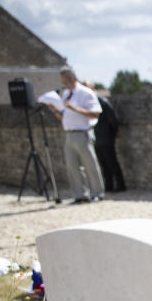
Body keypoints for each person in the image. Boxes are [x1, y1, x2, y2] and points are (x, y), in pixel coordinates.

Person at [46, 66, 105, 204]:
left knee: (90, 164)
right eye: (63, 82)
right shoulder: (65, 94)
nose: (65, 85)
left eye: (67, 81)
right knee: (72, 166)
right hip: (69, 133)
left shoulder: (86, 93)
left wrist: (74, 108)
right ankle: (80, 195)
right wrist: (54, 110)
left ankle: (97, 193)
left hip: (83, 132)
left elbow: (95, 113)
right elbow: (64, 116)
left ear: (74, 79)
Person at [91, 89, 127, 192]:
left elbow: (113, 120)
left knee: (112, 162)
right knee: (103, 163)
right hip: (98, 136)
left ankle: (120, 185)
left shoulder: (102, 102)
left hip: (105, 136)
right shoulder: (92, 103)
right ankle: (109, 185)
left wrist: (112, 133)